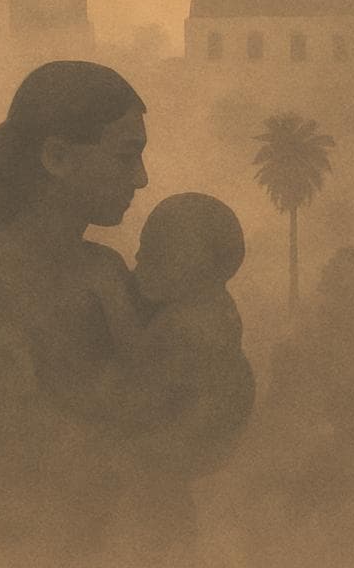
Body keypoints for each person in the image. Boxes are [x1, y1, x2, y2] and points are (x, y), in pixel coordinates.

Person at [0, 60, 149, 558]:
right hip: (30, 535)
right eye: (126, 157)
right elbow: (19, 426)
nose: (141, 179)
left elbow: (146, 379)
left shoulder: (104, 268)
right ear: (56, 156)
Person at [92, 192, 255, 550]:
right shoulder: (207, 306)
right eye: (142, 246)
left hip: (189, 431)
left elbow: (136, 356)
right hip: (189, 426)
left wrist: (112, 300)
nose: (139, 258)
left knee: (151, 485)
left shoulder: (189, 322)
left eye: (155, 252)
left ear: (203, 269)